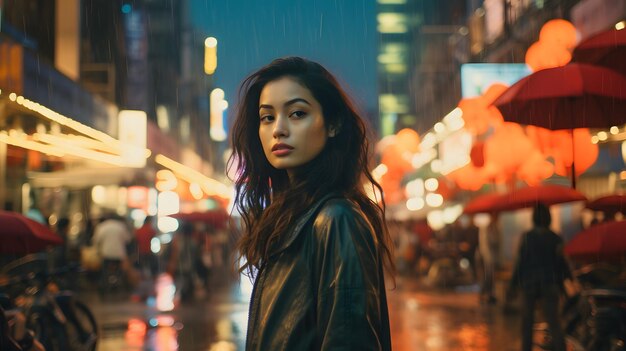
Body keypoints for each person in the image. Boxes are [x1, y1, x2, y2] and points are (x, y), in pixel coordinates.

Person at [229, 56, 394, 350]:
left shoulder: (336, 219)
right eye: (267, 117)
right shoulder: (293, 217)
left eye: (296, 113)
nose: (278, 129)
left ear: (332, 124)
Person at [507, 202, 572, 351]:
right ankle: (560, 348)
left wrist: (512, 285)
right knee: (554, 322)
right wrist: (568, 280)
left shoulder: (527, 237)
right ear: (549, 218)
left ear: (534, 218)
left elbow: (520, 263)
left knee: (527, 323)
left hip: (529, 284)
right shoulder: (555, 238)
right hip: (550, 283)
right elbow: (561, 263)